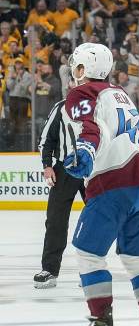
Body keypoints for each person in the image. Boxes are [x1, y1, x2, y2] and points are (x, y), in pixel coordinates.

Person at [63, 43, 139, 326]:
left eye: (76, 66)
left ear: (82, 69)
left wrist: (83, 152)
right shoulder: (119, 93)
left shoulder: (82, 93)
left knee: (88, 253)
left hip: (113, 181)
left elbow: (89, 129)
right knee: (137, 259)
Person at [34, 99, 85, 289]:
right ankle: (49, 270)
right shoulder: (62, 107)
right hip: (65, 169)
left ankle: (91, 271)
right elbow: (46, 139)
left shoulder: (102, 103)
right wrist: (47, 165)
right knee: (55, 220)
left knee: (96, 221)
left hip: (95, 170)